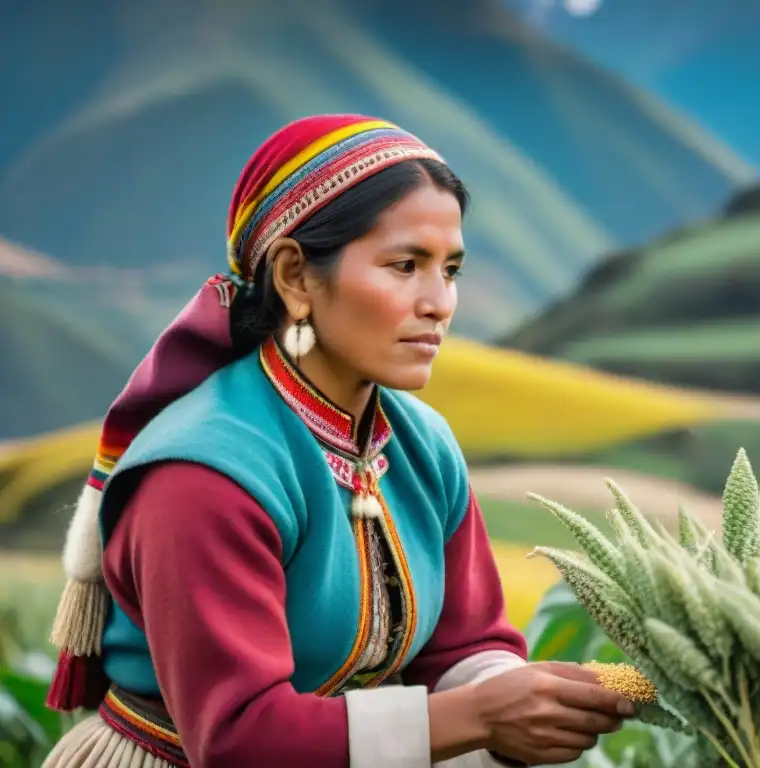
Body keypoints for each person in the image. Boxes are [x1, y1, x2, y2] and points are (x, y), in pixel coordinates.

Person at [41, 115, 634, 768]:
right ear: (295, 276)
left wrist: (530, 697)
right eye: (406, 265)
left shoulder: (421, 446)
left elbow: (461, 646)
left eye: (451, 270)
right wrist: (480, 716)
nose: (439, 302)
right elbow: (238, 739)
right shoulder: (204, 477)